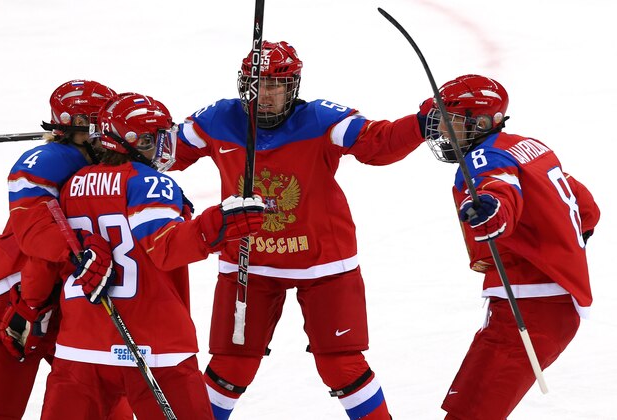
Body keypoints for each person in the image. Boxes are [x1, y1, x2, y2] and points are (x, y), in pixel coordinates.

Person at [172, 40, 429, 420]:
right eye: (258, 84)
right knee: (229, 367)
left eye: (276, 86)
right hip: (249, 264)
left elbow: (379, 143)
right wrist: (106, 143)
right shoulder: (217, 120)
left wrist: (423, 123)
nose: (265, 95)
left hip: (324, 263)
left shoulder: (322, 119)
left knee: (342, 366)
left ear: (294, 87)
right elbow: (162, 152)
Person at [39, 93, 265, 420]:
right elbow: (166, 248)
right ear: (138, 140)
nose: (165, 146)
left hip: (80, 347)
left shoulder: (71, 183)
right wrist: (220, 223)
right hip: (154, 346)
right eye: (158, 137)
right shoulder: (150, 182)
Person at [422, 74, 601, 419]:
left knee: (470, 413)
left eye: (452, 121)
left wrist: (492, 212)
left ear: (483, 122)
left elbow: (499, 192)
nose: (443, 131)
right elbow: (587, 209)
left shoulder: (483, 158)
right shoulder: (528, 146)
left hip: (531, 308)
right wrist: (559, 249)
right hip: (546, 301)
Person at [0, 80, 134, 419]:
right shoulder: (54, 158)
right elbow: (35, 229)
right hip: (11, 300)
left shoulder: (107, 163)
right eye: (97, 122)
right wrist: (79, 252)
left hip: (74, 301)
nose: (108, 128)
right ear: (73, 125)